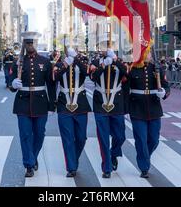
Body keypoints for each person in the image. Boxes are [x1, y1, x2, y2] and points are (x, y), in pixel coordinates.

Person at [10, 32, 56, 178]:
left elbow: (51, 84)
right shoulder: (18, 62)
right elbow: (10, 81)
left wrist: (52, 105)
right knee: (25, 135)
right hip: (22, 102)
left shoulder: (45, 61)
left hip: (41, 102)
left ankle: (33, 156)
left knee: (39, 134)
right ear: (25, 44)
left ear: (36, 44)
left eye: (33, 43)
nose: (30, 46)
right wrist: (13, 84)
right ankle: (29, 165)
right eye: (28, 43)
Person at [127, 52, 169, 178]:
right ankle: (144, 167)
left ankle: (145, 156)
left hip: (154, 108)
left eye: (148, 53)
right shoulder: (132, 69)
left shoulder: (157, 69)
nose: (147, 55)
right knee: (141, 139)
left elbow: (166, 85)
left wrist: (164, 92)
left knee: (154, 140)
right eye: (144, 53)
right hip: (137, 108)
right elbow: (125, 88)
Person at [53, 47, 91, 177]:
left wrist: (76, 59)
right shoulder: (59, 64)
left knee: (81, 138)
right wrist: (65, 64)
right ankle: (71, 167)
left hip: (80, 104)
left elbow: (87, 73)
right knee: (67, 138)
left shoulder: (81, 63)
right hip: (64, 104)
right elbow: (55, 78)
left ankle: (73, 158)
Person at [90, 48, 127, 178]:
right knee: (103, 137)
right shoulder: (95, 62)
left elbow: (126, 74)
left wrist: (115, 61)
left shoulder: (119, 62)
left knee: (120, 136)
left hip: (116, 102)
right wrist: (104, 64)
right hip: (100, 102)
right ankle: (106, 167)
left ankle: (113, 154)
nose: (105, 49)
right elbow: (93, 77)